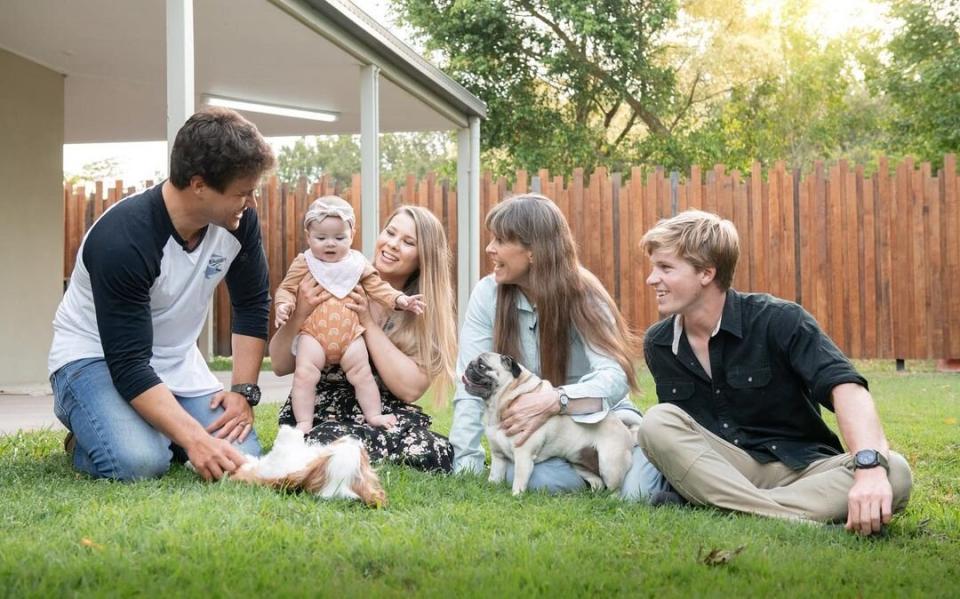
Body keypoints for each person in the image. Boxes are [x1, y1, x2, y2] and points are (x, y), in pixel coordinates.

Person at [637, 209, 913, 534]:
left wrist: (868, 469)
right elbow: (685, 443)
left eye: (665, 268)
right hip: (724, 470)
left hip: (804, 469)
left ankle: (738, 508)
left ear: (706, 273)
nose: (651, 279)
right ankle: (796, 521)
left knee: (894, 470)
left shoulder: (780, 320)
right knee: (656, 422)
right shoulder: (659, 343)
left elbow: (846, 388)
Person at [48, 107, 275, 482]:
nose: (250, 203)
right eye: (243, 192)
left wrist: (242, 392)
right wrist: (194, 439)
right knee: (138, 462)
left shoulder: (238, 222)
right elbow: (128, 364)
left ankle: (149, 427)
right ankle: (88, 434)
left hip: (175, 361)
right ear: (199, 185)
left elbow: (251, 303)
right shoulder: (123, 239)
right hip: (95, 358)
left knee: (241, 455)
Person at [450, 193, 666, 499]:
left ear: (533, 252)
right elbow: (469, 383)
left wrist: (557, 400)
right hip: (544, 438)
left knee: (637, 492)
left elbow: (614, 376)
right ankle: (593, 475)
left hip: (602, 429)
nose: (489, 248)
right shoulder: (487, 294)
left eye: (500, 239)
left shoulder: (584, 294)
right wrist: (466, 462)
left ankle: (633, 464)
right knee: (531, 478)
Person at [270, 205, 457, 473]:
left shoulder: (417, 311)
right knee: (326, 440)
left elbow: (409, 390)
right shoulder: (333, 277)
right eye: (390, 233)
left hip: (381, 413)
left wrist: (367, 322)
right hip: (321, 411)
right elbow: (278, 364)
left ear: (423, 258)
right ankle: (351, 452)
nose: (392, 245)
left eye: (407, 242)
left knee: (434, 451)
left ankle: (361, 452)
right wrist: (299, 313)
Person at [273, 196, 425, 433]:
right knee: (304, 374)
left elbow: (378, 287)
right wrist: (285, 306)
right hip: (314, 334)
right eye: (321, 238)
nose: (330, 244)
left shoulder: (357, 264)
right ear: (308, 237)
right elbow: (287, 288)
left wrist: (400, 299)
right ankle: (304, 422)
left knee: (361, 373)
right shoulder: (305, 263)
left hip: (351, 335)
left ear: (352, 235)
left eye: (339, 238)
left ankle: (373, 414)